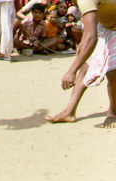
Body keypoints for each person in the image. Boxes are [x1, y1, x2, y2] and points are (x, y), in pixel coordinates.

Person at [46, 0, 116, 129]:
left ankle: (113, 113)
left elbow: (92, 37)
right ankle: (69, 111)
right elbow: (91, 20)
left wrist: (71, 71)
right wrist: (84, 41)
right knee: (86, 65)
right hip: (104, 25)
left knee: (112, 71)